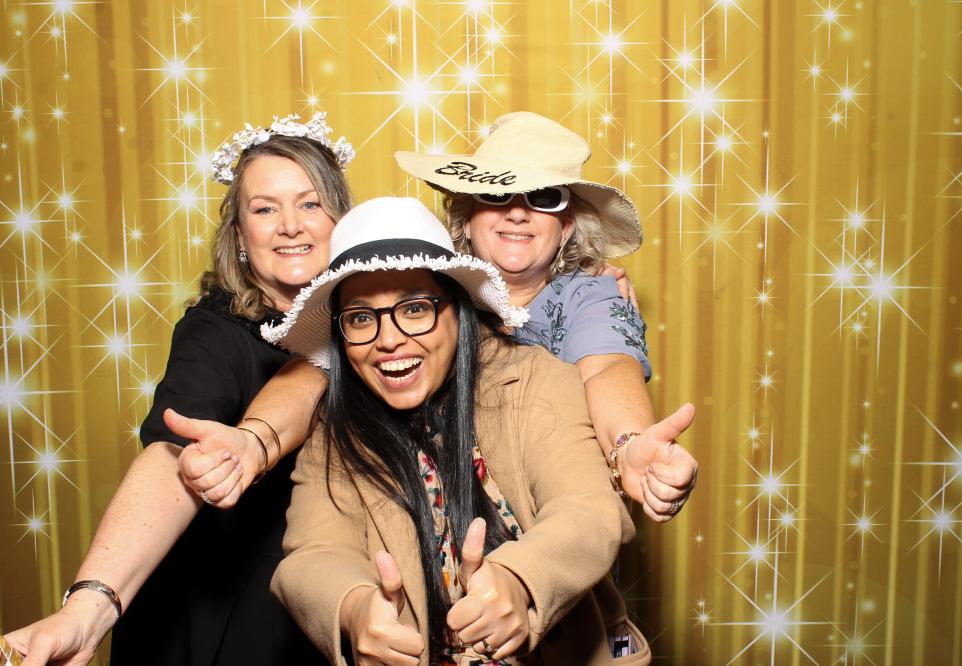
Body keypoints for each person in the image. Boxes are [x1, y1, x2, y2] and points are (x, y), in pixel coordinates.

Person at [183, 111, 696, 524]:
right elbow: (319, 366)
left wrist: (630, 446)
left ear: (566, 226)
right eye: (497, 194)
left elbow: (606, 368)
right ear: (465, 217)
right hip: (426, 531)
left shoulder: (593, 296)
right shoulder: (427, 282)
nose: (518, 212)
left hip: (548, 525)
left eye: (543, 198)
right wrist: (254, 442)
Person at [3, 112, 354, 665]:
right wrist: (89, 606)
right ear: (239, 236)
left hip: (326, 604)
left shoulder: (374, 328)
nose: (290, 226)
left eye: (310, 204)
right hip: (223, 625)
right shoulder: (214, 332)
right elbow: (172, 457)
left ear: (343, 220)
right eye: (264, 209)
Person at [266, 196, 652, 665]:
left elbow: (588, 509)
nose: (389, 340)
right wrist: (353, 607)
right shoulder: (335, 428)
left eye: (415, 308)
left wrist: (519, 579)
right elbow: (313, 554)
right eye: (361, 318)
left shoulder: (535, 379)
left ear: (459, 309)